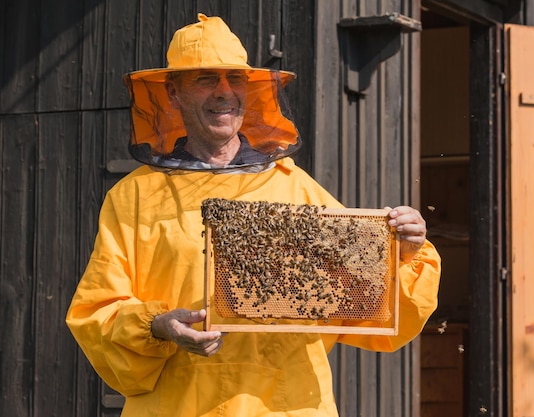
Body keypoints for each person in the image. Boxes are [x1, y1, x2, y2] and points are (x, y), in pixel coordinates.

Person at [66, 14, 441, 417]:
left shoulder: (297, 189)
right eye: (206, 79)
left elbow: (371, 309)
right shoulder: (133, 197)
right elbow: (96, 314)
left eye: (235, 79)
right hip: (180, 404)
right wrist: (158, 326)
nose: (225, 92)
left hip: (289, 404)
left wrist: (403, 253)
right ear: (173, 93)